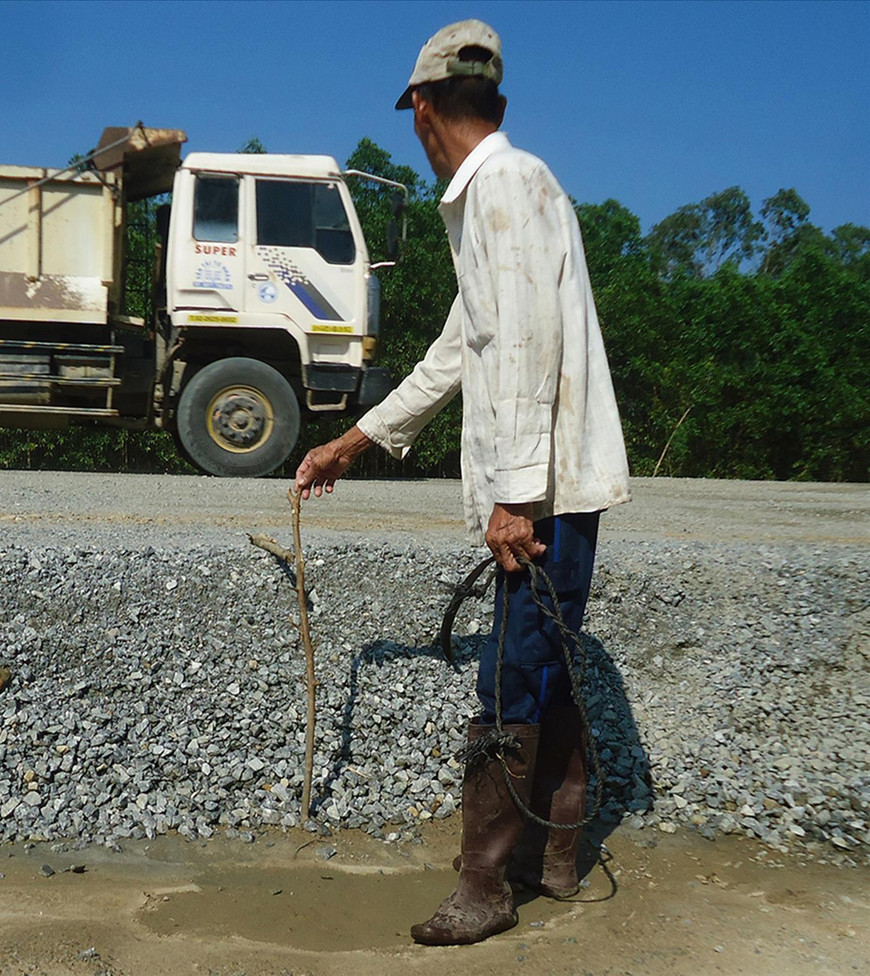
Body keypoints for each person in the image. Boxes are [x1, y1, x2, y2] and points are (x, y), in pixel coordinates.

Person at [293, 19, 631, 946]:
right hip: (555, 485)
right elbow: (461, 347)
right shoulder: (509, 188)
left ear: (420, 107)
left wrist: (514, 495)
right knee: (544, 663)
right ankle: (551, 856)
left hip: (543, 491)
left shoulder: (503, 188)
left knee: (512, 674)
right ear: (499, 100)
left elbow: (523, 342)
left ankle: (486, 884)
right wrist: (356, 441)